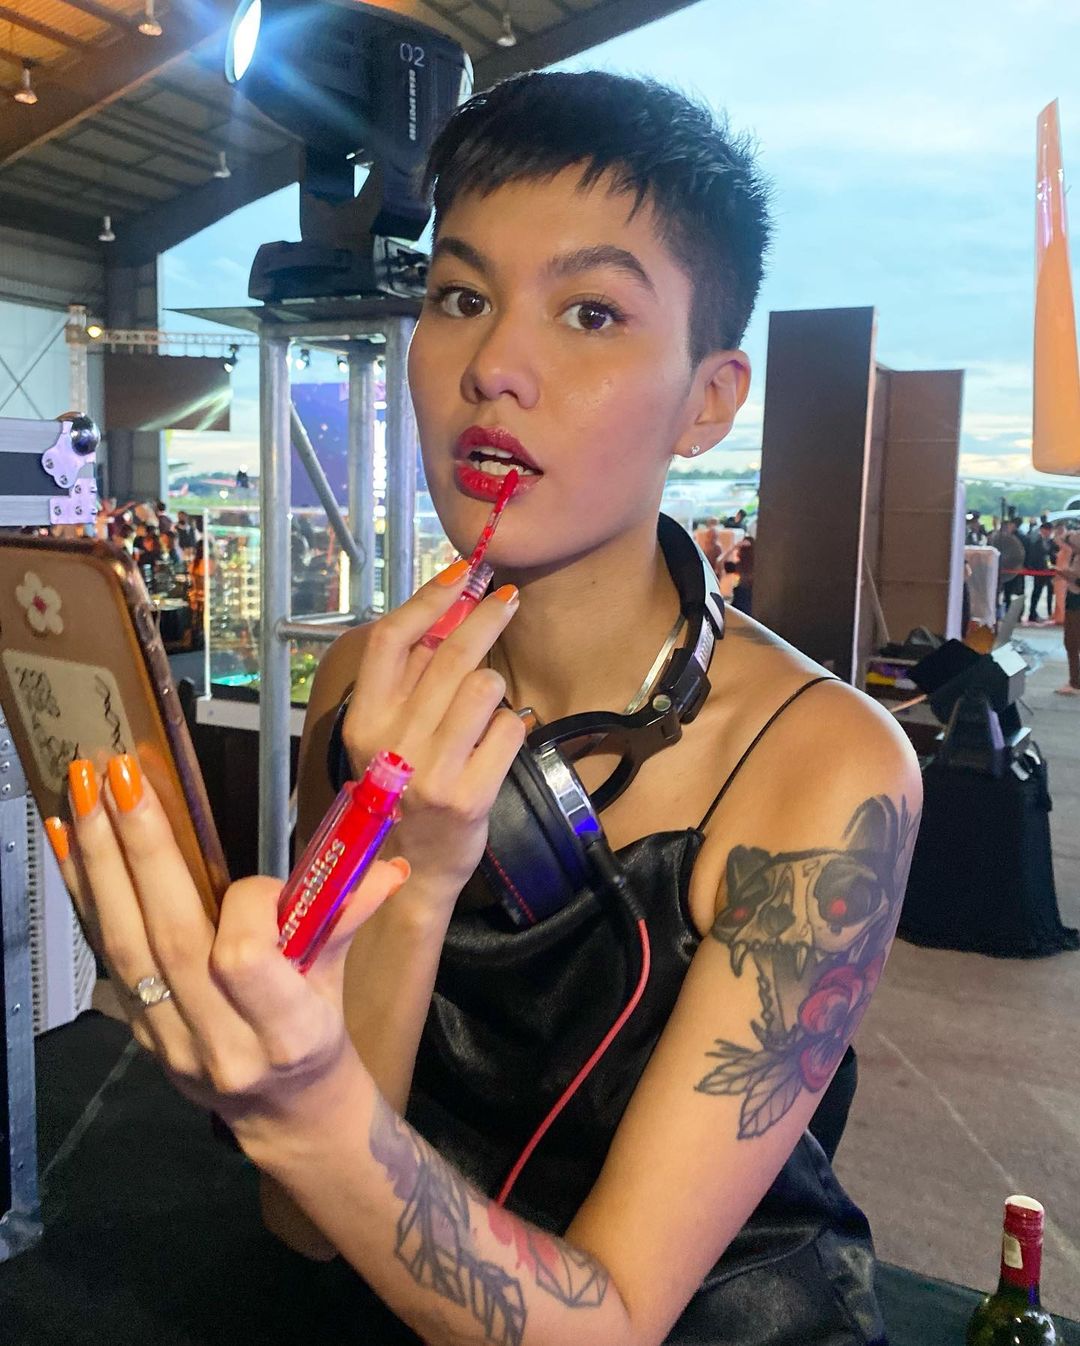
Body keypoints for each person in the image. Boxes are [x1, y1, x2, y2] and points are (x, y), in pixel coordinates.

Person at [46, 72, 919, 1346]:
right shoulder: (362, 683)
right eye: (460, 297)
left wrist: (304, 1111)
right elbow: (306, 1221)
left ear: (710, 399)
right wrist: (407, 875)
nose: (494, 367)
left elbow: (616, 1319)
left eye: (591, 311)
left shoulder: (827, 770)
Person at [1055, 530, 1080, 695]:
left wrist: (1067, 575)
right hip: (1072, 600)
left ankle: (1075, 681)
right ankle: (1074, 679)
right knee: (1070, 642)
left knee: (1072, 642)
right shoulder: (1075, 557)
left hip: (1077, 602)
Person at [988, 516, 1025, 613]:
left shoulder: (1016, 538)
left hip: (1011, 570)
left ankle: (1007, 612)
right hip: (997, 570)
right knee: (995, 593)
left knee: (1008, 594)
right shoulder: (995, 537)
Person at [1024, 521, 1055, 622]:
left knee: (1050, 593)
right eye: (1046, 530)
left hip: (1050, 571)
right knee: (1036, 592)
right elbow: (1032, 556)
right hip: (1039, 571)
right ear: (1041, 530)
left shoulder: (1053, 543)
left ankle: (1050, 613)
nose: (1048, 533)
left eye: (1050, 531)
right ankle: (1032, 613)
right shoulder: (1035, 542)